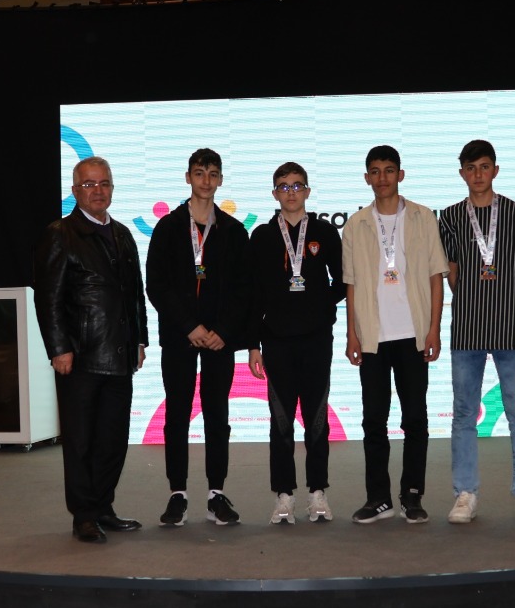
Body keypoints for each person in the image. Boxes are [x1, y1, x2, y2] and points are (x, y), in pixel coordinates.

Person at [33, 156, 149, 544]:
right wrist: (59, 348)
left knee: (113, 440)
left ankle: (103, 507)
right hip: (80, 357)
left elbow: (135, 295)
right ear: (74, 191)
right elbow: (48, 298)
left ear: (112, 188)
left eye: (104, 184)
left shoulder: (123, 234)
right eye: (89, 185)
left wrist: (139, 341)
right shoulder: (60, 234)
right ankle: (83, 515)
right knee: (81, 440)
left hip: (119, 355)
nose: (97, 191)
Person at [438, 140, 515, 524]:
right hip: (466, 329)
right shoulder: (450, 218)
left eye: (484, 166)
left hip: (509, 330)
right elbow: (451, 274)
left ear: (495, 170)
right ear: (462, 173)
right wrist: (474, 300)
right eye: (471, 168)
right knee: (464, 414)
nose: (478, 174)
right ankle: (465, 493)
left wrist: (501, 304)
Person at [341, 145, 446, 525]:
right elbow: (351, 284)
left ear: (400, 175)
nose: (382, 178)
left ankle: (412, 495)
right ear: (366, 177)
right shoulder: (356, 224)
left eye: (388, 170)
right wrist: (352, 334)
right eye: (375, 171)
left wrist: (434, 329)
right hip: (373, 336)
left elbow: (436, 276)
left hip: (414, 334)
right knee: (374, 421)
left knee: (415, 418)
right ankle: (378, 498)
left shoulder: (422, 217)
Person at [146, 149, 248, 527]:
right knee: (177, 414)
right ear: (188, 177)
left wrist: (224, 331)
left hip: (220, 339)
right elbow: (156, 285)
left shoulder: (233, 231)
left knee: (217, 415)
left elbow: (243, 289)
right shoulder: (168, 227)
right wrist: (189, 326)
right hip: (180, 336)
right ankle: (178, 493)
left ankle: (216, 494)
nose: (206, 180)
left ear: (220, 180)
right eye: (200, 173)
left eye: (213, 174)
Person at [245, 163, 345, 525]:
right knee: (281, 420)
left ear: (307, 191)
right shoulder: (261, 236)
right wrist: (253, 344)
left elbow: (343, 279)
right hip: (276, 341)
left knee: (317, 419)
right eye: (284, 187)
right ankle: (284, 494)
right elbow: (253, 293)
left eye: (297, 186)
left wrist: (321, 306)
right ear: (274, 193)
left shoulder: (324, 232)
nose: (291, 192)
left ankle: (318, 492)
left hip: (317, 339)